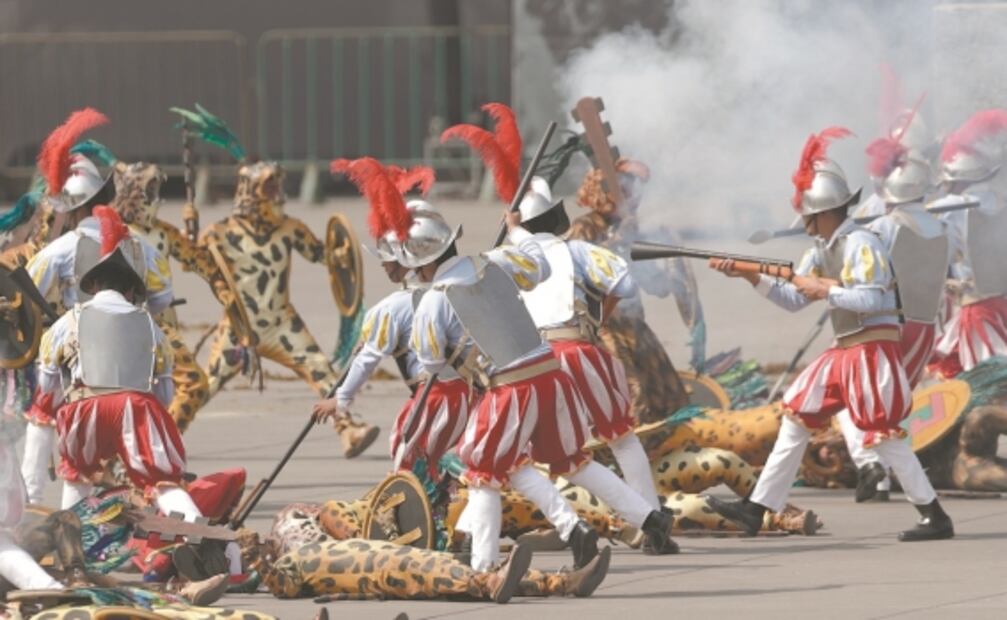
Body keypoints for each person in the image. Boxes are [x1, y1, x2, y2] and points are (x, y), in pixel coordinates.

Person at [706, 127, 954, 542]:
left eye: (808, 215)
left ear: (822, 212)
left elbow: (873, 301)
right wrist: (750, 276)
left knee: (881, 435)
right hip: (845, 352)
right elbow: (792, 299)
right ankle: (759, 508)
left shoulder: (861, 243)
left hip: (871, 351)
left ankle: (933, 515)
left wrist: (825, 288)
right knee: (796, 416)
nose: (803, 223)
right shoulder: (821, 250)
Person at [516, 176, 676, 554]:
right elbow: (625, 284)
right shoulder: (575, 250)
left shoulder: (515, 259)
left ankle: (624, 521)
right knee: (620, 437)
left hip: (537, 362)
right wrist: (596, 317)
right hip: (576, 349)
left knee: (547, 455)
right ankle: (649, 518)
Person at [22, 108, 172, 506]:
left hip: (81, 356)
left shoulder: (65, 247)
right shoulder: (142, 244)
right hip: (140, 357)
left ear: (73, 208)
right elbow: (162, 297)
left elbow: (27, 287)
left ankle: (33, 494)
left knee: (42, 406)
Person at [200, 161, 377, 455]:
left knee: (321, 370)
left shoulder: (290, 228)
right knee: (204, 386)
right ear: (251, 191)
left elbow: (321, 254)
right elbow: (195, 261)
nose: (277, 193)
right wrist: (191, 235)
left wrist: (342, 255)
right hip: (239, 328)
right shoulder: (219, 233)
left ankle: (349, 430)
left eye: (277, 185)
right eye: (269, 186)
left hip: (282, 323)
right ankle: (155, 437)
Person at [567, 158, 694, 423]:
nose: (634, 195)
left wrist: (672, 275)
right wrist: (617, 241)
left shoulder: (629, 228)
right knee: (633, 395)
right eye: (626, 188)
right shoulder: (584, 226)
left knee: (672, 395)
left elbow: (650, 283)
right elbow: (577, 273)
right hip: (600, 325)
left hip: (633, 323)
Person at [929, 109, 1007, 376]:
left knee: (989, 380)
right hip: (997, 304)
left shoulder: (951, 205)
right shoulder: (997, 201)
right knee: (950, 369)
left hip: (978, 310)